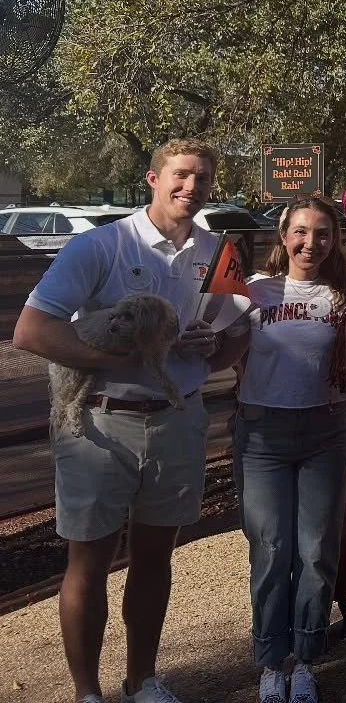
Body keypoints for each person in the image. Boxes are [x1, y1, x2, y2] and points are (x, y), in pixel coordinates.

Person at [14, 138, 251, 703]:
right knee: (88, 559)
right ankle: (87, 692)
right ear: (152, 177)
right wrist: (121, 358)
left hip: (176, 418)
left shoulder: (219, 251)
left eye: (202, 179)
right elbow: (32, 331)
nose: (191, 188)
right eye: (181, 175)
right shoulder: (102, 245)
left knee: (154, 557)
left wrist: (211, 343)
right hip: (97, 423)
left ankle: (143, 679)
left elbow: (237, 332)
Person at [237, 195, 346, 703]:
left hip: (327, 431)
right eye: (301, 232)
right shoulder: (251, 293)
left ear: (335, 239)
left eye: (323, 233)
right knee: (270, 548)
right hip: (262, 433)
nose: (311, 243)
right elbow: (217, 346)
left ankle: (305, 656)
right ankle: (270, 661)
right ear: (283, 237)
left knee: (316, 550)